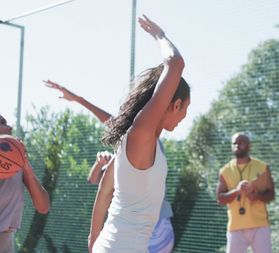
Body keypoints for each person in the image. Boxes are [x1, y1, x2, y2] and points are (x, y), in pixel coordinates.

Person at [89, 14, 187, 252]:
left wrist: (93, 239)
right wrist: (159, 35)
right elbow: (175, 64)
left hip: (112, 245)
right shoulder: (140, 135)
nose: (184, 116)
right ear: (175, 105)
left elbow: (104, 189)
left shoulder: (134, 140)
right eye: (185, 108)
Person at [44, 75, 176, 251]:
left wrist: (79, 100)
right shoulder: (125, 151)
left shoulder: (145, 139)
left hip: (154, 232)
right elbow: (95, 181)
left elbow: (113, 123)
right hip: (137, 234)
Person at [216, 133, 275, 253]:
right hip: (236, 227)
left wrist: (257, 196)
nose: (237, 145)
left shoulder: (262, 167)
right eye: (234, 143)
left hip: (260, 226)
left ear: (249, 146)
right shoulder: (225, 171)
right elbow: (220, 199)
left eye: (241, 143)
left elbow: (271, 194)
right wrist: (237, 191)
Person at [0, 114, 50, 253]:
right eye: (3, 123)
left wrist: (26, 168)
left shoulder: (17, 161)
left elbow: (43, 207)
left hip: (4, 240)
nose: (10, 127)